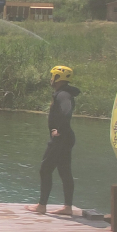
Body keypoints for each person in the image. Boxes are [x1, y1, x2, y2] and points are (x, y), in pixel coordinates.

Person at [27, 65, 82, 216]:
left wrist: (59, 130)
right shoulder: (64, 93)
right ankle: (67, 207)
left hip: (61, 139)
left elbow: (66, 111)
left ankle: (41, 206)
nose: (51, 79)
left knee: (45, 169)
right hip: (66, 138)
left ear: (58, 78)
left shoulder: (62, 95)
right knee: (64, 171)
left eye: (52, 76)